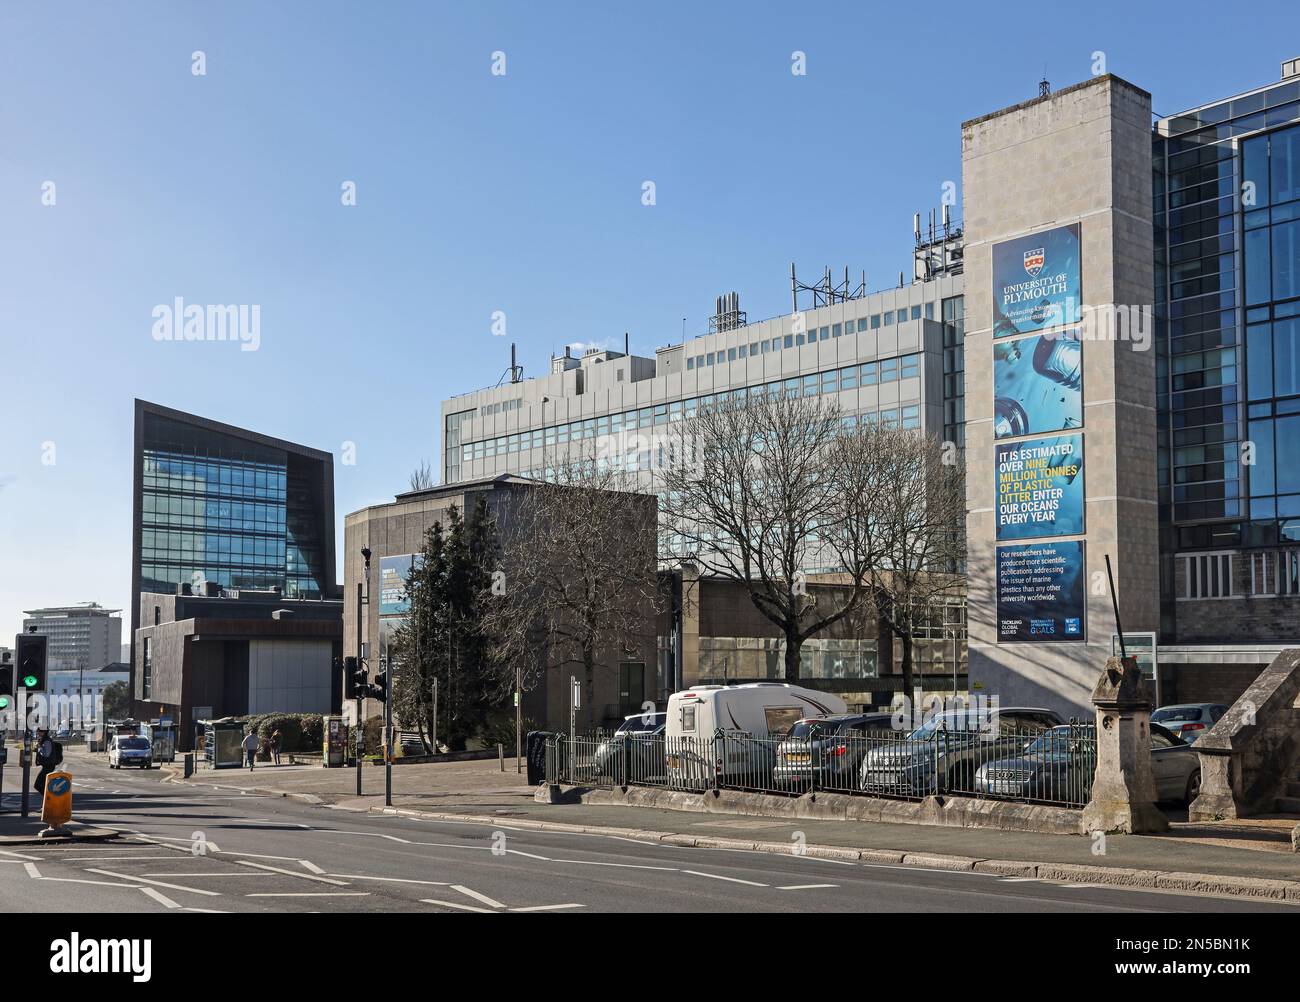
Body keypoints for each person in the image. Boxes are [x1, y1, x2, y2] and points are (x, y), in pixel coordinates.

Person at [34, 728, 63, 795]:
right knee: (42, 785)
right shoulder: (44, 740)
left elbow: (46, 754)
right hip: (47, 766)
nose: (37, 733)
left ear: (43, 732)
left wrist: (39, 748)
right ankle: (48, 798)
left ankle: (49, 798)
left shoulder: (46, 741)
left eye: (38, 732)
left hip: (49, 766)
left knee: (38, 785)